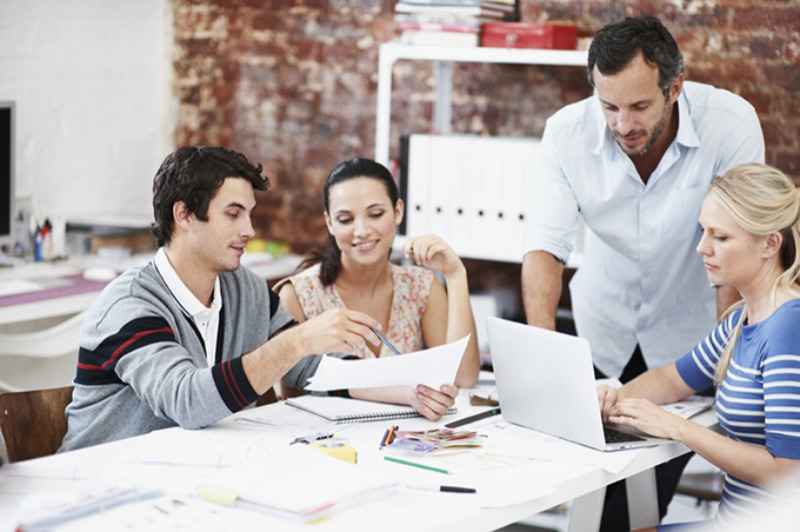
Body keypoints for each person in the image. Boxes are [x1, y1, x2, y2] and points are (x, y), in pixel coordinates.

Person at [521, 16, 764, 528]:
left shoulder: (730, 123)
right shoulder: (565, 133)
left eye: (639, 106)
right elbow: (545, 247)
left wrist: (732, 367)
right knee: (590, 483)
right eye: (608, 106)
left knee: (633, 496)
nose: (622, 124)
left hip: (691, 343)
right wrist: (547, 365)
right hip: (601, 333)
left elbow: (738, 248)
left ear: (675, 88)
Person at [60, 146, 391, 452]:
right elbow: (188, 402)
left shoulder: (245, 288)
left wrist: (405, 389)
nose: (249, 229)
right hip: (97, 486)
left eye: (249, 214)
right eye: (233, 214)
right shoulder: (130, 305)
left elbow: (311, 368)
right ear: (184, 215)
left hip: (195, 479)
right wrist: (298, 341)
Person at [598, 163, 800, 531]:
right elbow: (673, 378)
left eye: (719, 237)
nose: (701, 247)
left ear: (770, 243)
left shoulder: (788, 327)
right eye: (703, 231)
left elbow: (788, 471)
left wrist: (679, 428)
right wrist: (614, 400)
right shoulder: (744, 319)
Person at [277, 157, 480, 419]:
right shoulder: (298, 295)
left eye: (375, 214)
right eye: (345, 219)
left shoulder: (420, 287)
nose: (361, 230)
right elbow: (291, 402)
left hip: (407, 440)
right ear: (329, 223)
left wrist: (456, 275)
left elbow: (463, 377)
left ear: (397, 212)